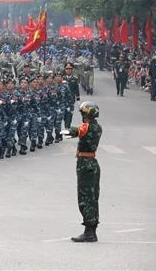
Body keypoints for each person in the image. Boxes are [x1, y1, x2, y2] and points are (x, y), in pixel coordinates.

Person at [61, 101, 102, 243]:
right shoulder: (97, 127)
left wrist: (68, 131)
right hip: (91, 164)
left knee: (86, 198)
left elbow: (79, 130)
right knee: (92, 197)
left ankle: (89, 232)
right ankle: (91, 231)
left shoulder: (88, 126)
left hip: (86, 165)